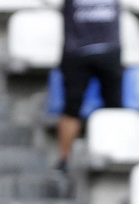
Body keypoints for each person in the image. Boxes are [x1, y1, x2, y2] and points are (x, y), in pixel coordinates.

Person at [57, 0, 122, 174]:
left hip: (106, 51)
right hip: (78, 51)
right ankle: (64, 159)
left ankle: (115, 152)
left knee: (114, 109)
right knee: (72, 108)